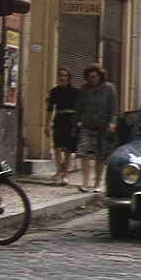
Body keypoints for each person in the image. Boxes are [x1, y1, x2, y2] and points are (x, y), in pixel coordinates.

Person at [74, 63, 118, 193]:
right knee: (84, 153)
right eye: (90, 77)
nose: (92, 79)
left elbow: (113, 107)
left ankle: (97, 183)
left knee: (100, 155)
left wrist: (112, 122)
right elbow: (79, 106)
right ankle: (85, 182)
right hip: (87, 125)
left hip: (103, 126)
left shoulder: (109, 88)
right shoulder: (84, 89)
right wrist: (76, 121)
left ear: (100, 76)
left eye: (94, 76)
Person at [46, 67, 79, 185]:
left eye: (64, 75)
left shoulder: (75, 91)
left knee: (68, 149)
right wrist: (47, 125)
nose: (62, 77)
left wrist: (77, 123)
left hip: (70, 120)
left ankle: (65, 174)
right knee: (57, 147)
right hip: (59, 119)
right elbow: (50, 108)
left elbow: (78, 108)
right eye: (60, 75)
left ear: (69, 77)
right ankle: (59, 170)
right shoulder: (54, 91)